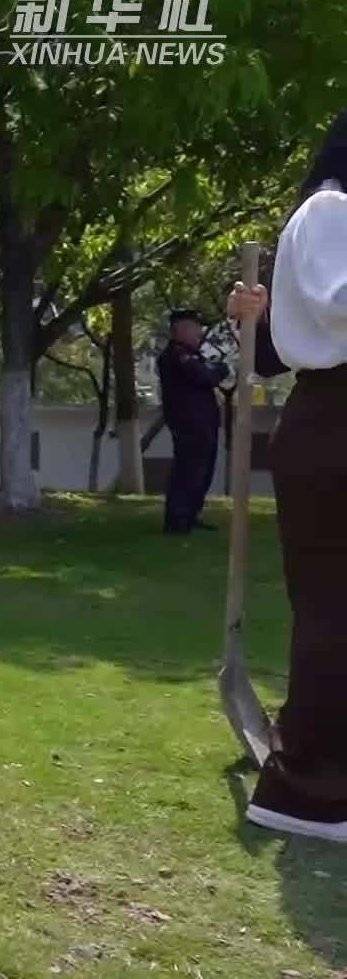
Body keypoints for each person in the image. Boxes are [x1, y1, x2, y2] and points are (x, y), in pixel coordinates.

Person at [225, 108, 347, 843]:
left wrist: (265, 313)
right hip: (335, 421)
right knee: (335, 609)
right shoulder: (332, 208)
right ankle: (307, 786)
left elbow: (281, 341)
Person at [156, 307, 230, 534]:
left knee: (202, 471)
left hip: (203, 423)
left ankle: (190, 515)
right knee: (188, 471)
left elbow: (210, 372)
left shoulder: (193, 354)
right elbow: (204, 376)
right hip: (188, 424)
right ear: (180, 329)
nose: (200, 331)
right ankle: (177, 521)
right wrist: (217, 369)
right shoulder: (177, 355)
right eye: (195, 327)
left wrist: (216, 369)